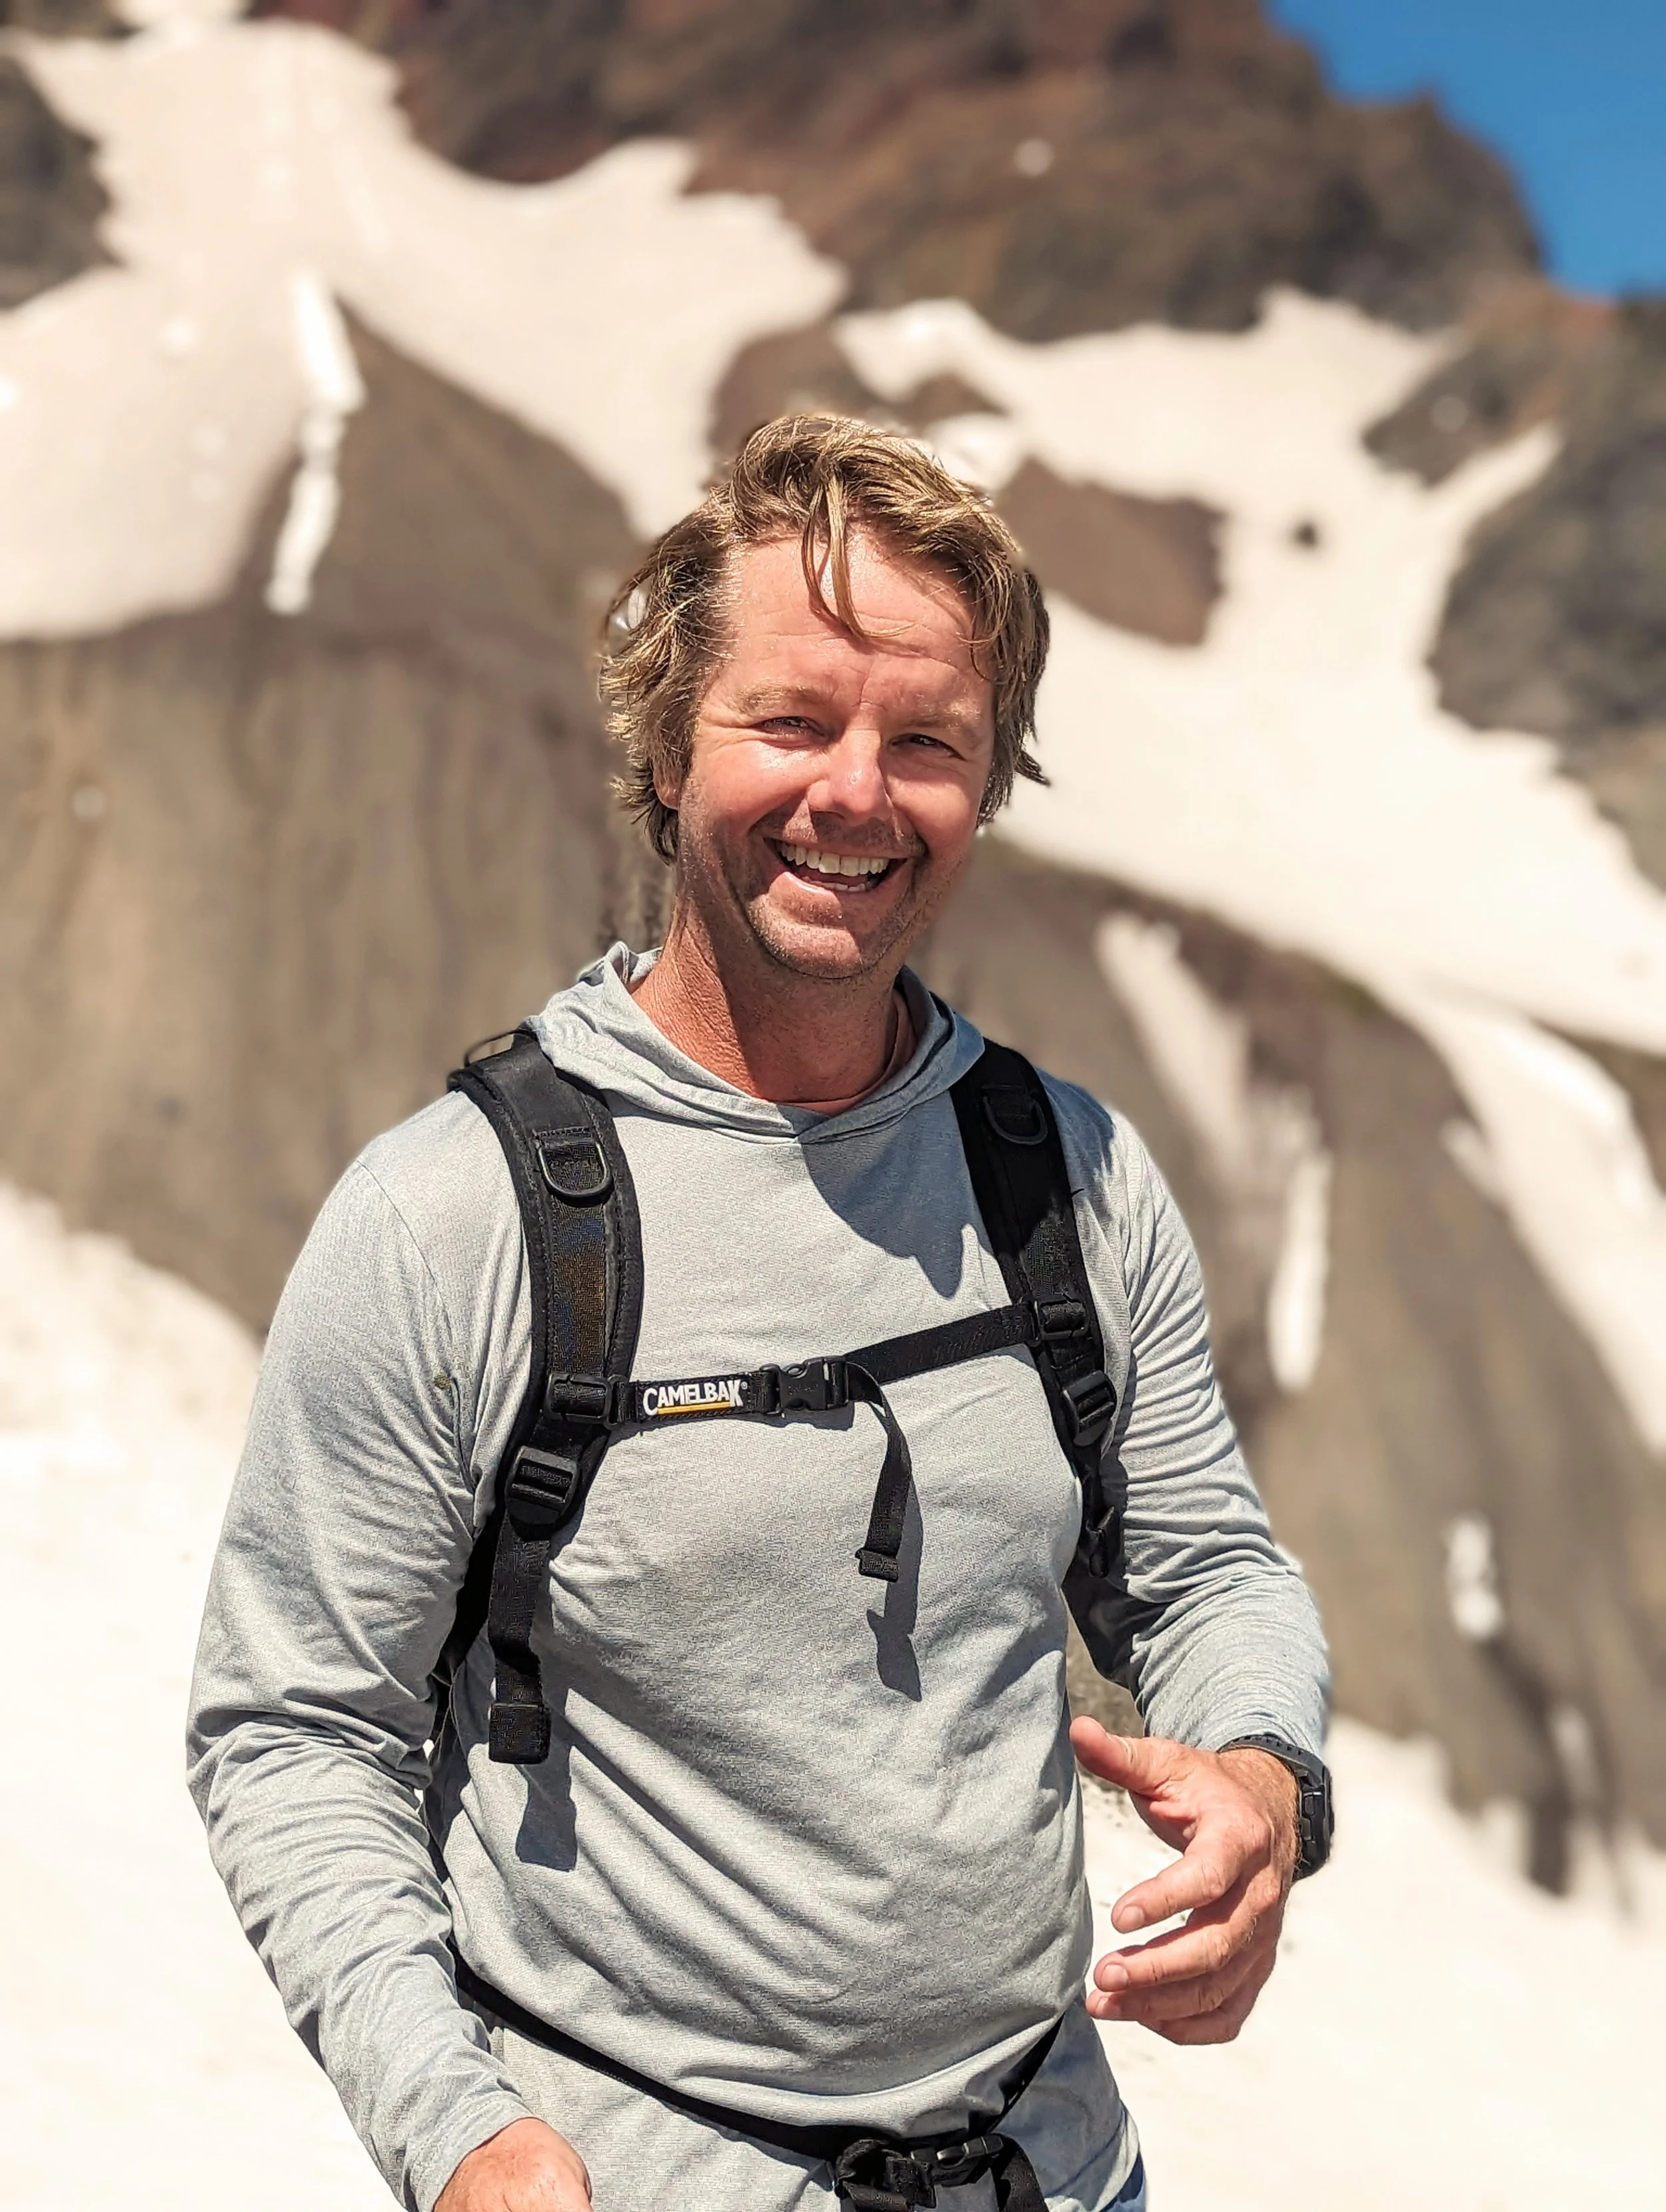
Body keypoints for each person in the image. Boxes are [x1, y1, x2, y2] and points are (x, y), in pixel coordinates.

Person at [188, 414, 1329, 2212]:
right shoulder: (453, 1216)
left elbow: (1202, 1570)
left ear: (990, 780)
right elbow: (296, 1732)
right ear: (666, 741)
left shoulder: (1068, 1177)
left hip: (1058, 2165)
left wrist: (1264, 1781)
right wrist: (461, 2137)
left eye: (928, 741)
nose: (857, 795)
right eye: (790, 722)